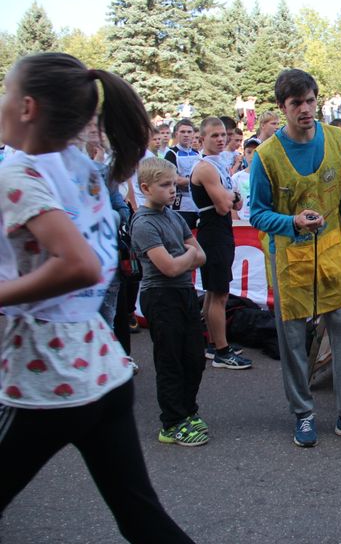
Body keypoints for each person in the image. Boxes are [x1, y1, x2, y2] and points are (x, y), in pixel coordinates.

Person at [0, 52, 196, 542]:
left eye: (4, 92)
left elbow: (79, 264)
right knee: (141, 517)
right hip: (102, 371)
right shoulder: (80, 166)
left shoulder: (20, 175)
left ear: (26, 107)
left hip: (45, 379)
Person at [249, 69, 341, 448]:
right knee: (292, 339)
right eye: (296, 104)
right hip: (289, 257)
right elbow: (257, 213)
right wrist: (290, 221)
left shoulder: (339, 141)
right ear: (282, 108)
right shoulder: (267, 157)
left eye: (310, 101)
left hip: (335, 251)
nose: (305, 110)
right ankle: (303, 414)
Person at [131, 157, 209, 445]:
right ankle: (172, 422)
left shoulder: (174, 217)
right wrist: (188, 255)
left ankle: (188, 411)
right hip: (160, 296)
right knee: (170, 359)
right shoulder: (143, 223)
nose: (172, 190)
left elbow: (202, 256)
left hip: (183, 293)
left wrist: (187, 256)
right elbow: (171, 267)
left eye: (173, 184)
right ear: (146, 188)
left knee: (194, 357)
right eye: (164, 186)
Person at [190, 117, 252, 369]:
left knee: (214, 292)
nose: (220, 139)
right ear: (202, 139)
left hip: (221, 230)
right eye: (214, 135)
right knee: (219, 294)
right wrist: (230, 196)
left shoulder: (219, 165)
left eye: (222, 135)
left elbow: (236, 202)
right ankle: (222, 352)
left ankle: (213, 343)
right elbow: (224, 204)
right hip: (212, 232)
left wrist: (231, 196)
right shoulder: (205, 167)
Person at [164, 119, 201, 229]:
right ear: (176, 134)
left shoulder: (198, 154)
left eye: (189, 132)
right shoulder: (171, 154)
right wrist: (197, 182)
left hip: (197, 205)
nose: (186, 135)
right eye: (183, 132)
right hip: (180, 205)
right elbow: (174, 179)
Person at [232, 139, 259, 221]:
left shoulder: (267, 177)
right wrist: (236, 221)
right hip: (242, 222)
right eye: (249, 152)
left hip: (260, 222)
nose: (252, 156)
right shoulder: (236, 177)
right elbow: (232, 202)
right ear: (244, 154)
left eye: (256, 152)